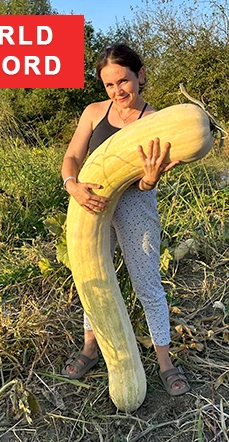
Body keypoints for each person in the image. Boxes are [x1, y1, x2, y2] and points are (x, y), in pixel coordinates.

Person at [59, 44, 188, 396]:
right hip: (90, 200)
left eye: (124, 81)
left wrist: (150, 178)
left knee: (147, 284)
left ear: (140, 75)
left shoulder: (156, 121)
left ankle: (165, 362)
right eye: (109, 85)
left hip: (135, 204)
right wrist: (73, 186)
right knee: (92, 277)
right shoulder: (93, 113)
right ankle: (91, 348)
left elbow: (147, 181)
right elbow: (72, 156)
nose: (118, 92)